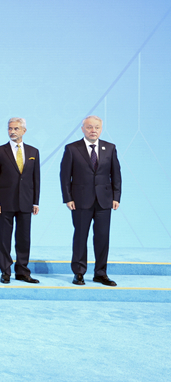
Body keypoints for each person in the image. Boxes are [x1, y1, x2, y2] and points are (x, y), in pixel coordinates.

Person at [60, 115, 121, 286]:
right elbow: (65, 176)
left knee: (102, 237)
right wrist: (68, 198)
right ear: (82, 129)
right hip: (80, 200)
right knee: (80, 237)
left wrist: (116, 197)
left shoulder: (110, 148)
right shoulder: (72, 148)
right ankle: (79, 273)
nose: (93, 130)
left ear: (101, 129)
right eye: (89, 127)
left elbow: (116, 174)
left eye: (96, 127)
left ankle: (100, 273)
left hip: (104, 201)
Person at [0, 117, 40, 284]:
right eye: (10, 128)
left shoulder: (33, 152)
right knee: (4, 238)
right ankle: (5, 271)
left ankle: (23, 271)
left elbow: (36, 179)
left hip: (26, 201)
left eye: (16, 129)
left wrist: (35, 202)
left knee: (24, 238)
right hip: (4, 203)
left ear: (24, 131)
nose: (12, 131)